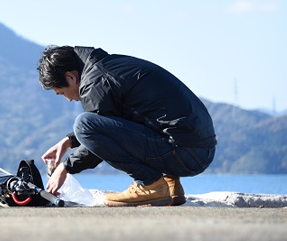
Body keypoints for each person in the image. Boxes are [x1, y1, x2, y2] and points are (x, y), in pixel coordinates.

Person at [38, 45, 216, 207]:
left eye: (62, 93)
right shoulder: (107, 67)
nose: (68, 99)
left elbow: (96, 135)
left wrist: (65, 167)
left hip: (185, 154)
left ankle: (150, 184)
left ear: (71, 77)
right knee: (89, 125)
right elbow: (111, 121)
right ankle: (170, 185)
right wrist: (68, 141)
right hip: (199, 149)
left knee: (83, 123)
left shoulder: (95, 82)